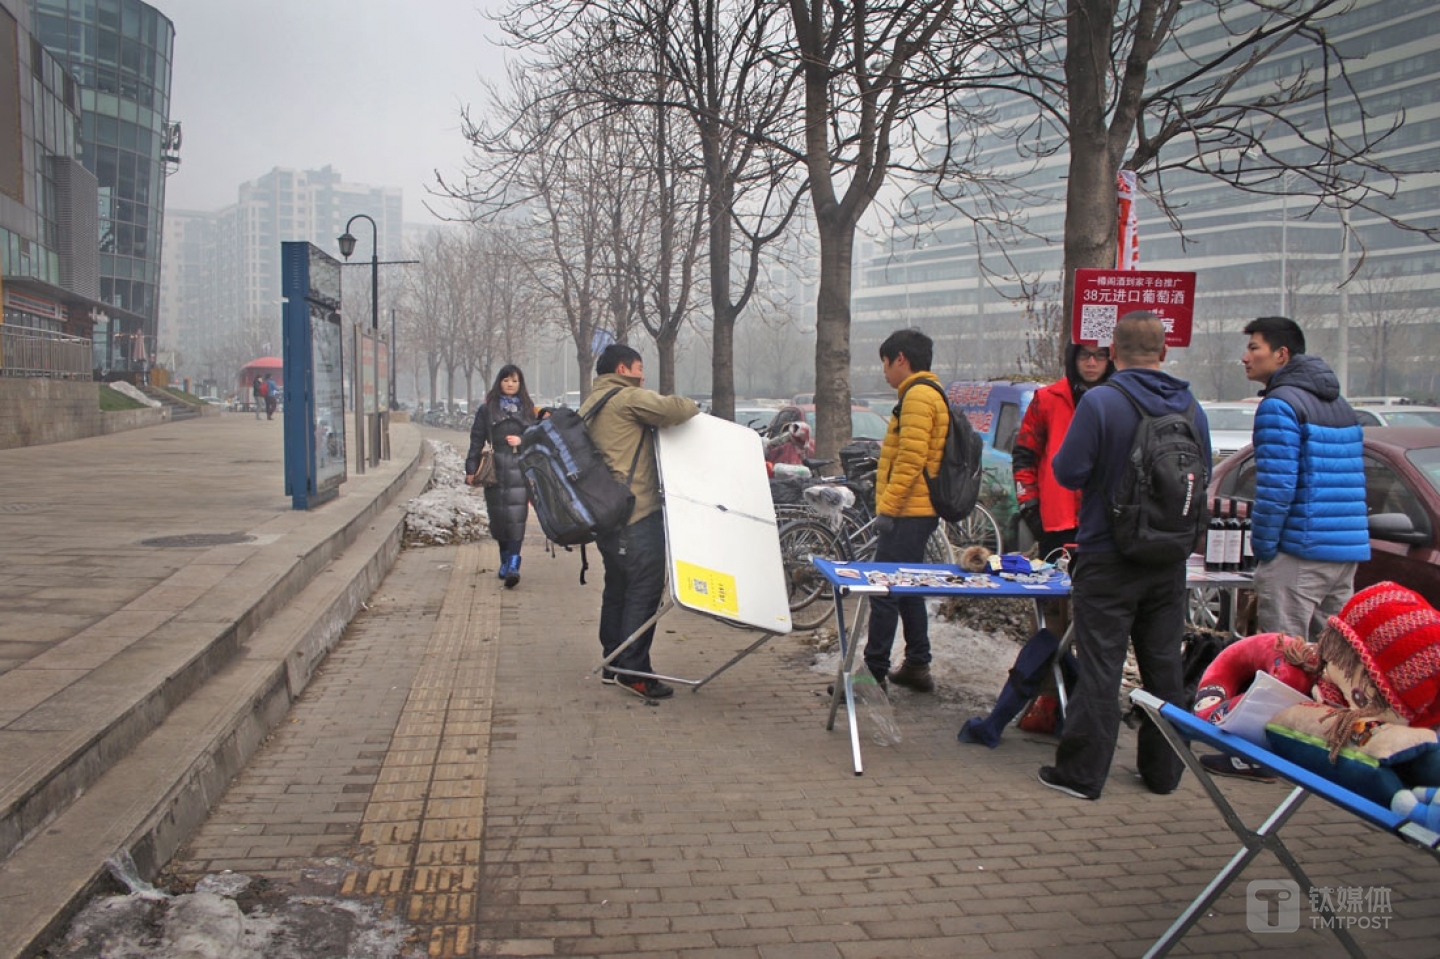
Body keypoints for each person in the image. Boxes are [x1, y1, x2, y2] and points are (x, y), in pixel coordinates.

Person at [1038, 311, 1212, 801]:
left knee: (1101, 667)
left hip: (1108, 555)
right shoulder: (1192, 407)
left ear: (1113, 352)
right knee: (1164, 667)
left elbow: (1068, 472)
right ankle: (1163, 773)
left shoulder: (1101, 402)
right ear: (1164, 352)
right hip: (1168, 560)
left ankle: (1082, 774)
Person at [582, 344, 699, 699]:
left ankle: (613, 661)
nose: (643, 376)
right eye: (639, 368)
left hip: (606, 514)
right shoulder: (626, 398)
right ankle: (634, 670)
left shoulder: (592, 402)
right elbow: (677, 409)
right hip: (636, 513)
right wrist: (694, 404)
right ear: (623, 369)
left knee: (617, 588)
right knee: (644, 590)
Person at [1241, 316, 1369, 641]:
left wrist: (1264, 548)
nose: (1245, 357)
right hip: (1344, 553)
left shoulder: (1278, 405)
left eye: (1254, 348)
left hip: (1298, 553)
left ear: (1281, 354)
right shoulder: (1341, 405)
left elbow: (1277, 486)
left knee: (1284, 655)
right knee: (1333, 658)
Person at [864, 328, 950, 695]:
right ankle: (917, 663)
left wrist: (888, 508)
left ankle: (872, 674)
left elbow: (910, 461)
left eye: (885, 363)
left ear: (901, 359)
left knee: (884, 589)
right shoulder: (929, 393)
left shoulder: (917, 396)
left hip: (908, 512)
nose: (884, 371)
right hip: (918, 510)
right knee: (908, 585)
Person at [1013, 344, 1116, 560]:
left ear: (1110, 359)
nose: (1091, 362)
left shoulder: (1120, 401)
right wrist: (1031, 509)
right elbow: (1024, 457)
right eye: (1085, 355)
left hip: (1107, 524)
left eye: (1100, 355)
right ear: (1073, 357)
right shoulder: (1047, 399)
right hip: (1056, 524)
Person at [465, 364, 539, 588]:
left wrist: (522, 440)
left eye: (514, 381)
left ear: (520, 384)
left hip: (520, 468)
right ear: (499, 382)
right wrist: (471, 469)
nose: (510, 384)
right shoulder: (487, 409)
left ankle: (514, 563)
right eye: (506, 380)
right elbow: (476, 440)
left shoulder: (528, 409)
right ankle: (505, 559)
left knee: (517, 516)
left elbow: (538, 436)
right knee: (498, 517)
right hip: (494, 469)